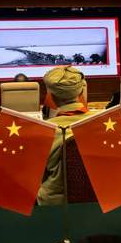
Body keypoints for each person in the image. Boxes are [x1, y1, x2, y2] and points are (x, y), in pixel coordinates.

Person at [38, 66, 90, 205]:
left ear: (51, 96)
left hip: (56, 206)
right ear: (81, 91)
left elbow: (36, 176)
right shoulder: (104, 123)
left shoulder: (44, 131)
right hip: (98, 201)